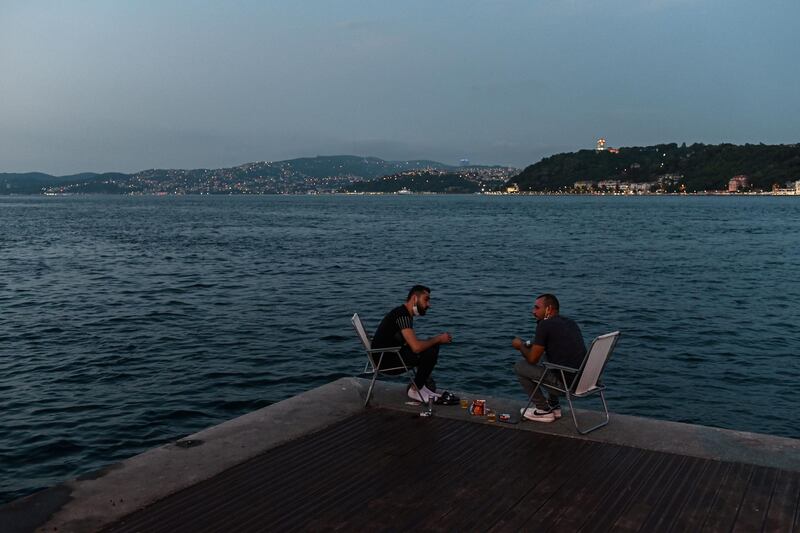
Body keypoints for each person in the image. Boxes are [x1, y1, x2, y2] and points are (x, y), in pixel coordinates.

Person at [371, 285, 453, 403]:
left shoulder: (403, 313)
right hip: (385, 362)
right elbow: (415, 348)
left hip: (389, 355)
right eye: (426, 299)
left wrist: (434, 341)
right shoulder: (403, 316)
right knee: (430, 350)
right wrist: (439, 339)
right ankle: (415, 390)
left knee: (430, 346)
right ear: (415, 298)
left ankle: (421, 387)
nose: (428, 305)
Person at [512, 293, 586, 422]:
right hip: (584, 381)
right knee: (547, 357)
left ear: (549, 309)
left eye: (536, 308)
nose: (533, 312)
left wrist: (520, 346)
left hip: (568, 385)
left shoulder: (544, 325)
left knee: (520, 366)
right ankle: (554, 405)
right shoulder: (570, 322)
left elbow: (533, 359)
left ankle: (543, 410)